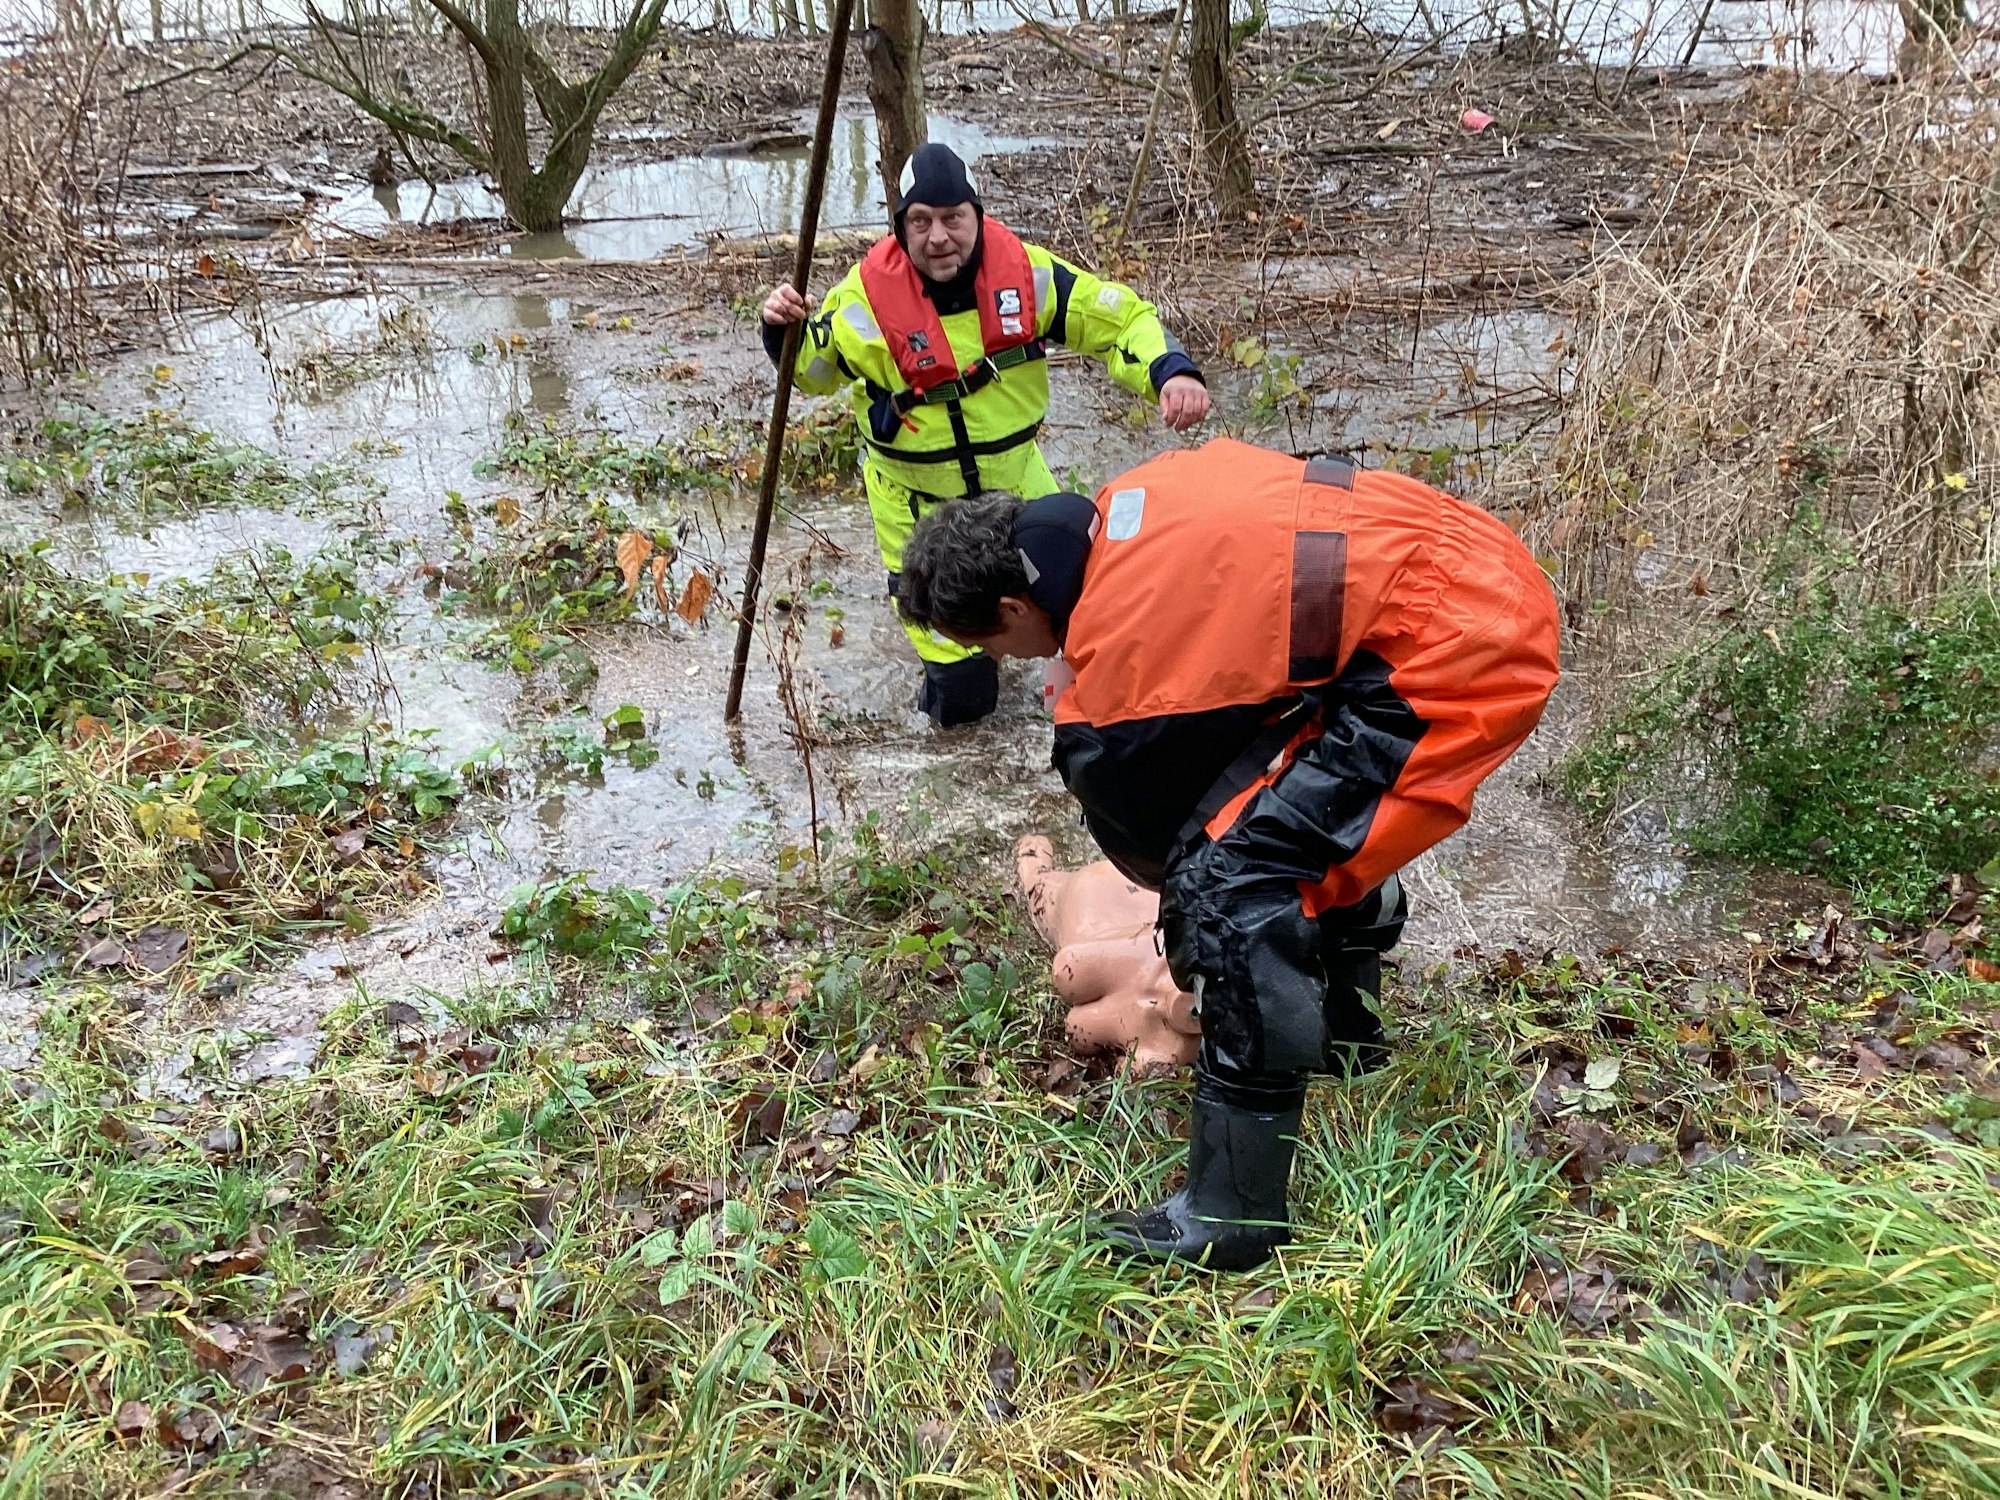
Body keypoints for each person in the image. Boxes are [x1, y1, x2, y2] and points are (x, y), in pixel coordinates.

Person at [895, 436, 1562, 1270]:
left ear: (1014, 608)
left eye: (989, 645)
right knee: (1277, 820)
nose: (1000, 661)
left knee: (1229, 886)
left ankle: (1233, 1214)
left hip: (1456, 653)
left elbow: (1152, 844)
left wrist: (1196, 909)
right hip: (1464, 572)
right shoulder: (1133, 499)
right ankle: (1348, 1039)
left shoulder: (1122, 650)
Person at [759, 141, 1210, 728]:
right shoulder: (861, 302)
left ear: (976, 215)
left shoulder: (1029, 275)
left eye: (953, 218)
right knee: (964, 694)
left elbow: (1119, 320)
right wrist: (782, 330)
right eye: (921, 222)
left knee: (1088, 626)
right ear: (901, 227)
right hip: (917, 507)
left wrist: (1170, 371)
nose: (938, 237)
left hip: (1015, 486)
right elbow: (810, 374)